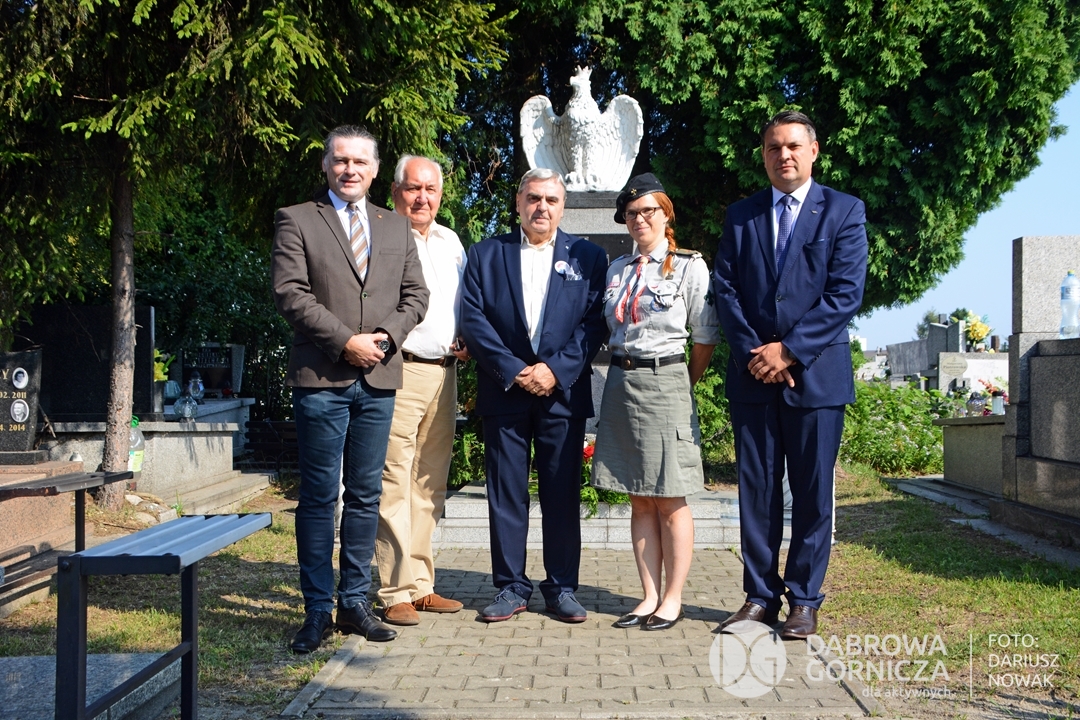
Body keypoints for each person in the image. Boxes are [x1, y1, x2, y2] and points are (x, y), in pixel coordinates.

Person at [272, 125, 429, 653]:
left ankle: (355, 603)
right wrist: (345, 343)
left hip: (379, 379)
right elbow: (290, 294)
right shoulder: (297, 219)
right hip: (322, 379)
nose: (350, 169)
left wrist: (383, 339)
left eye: (360, 161)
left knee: (365, 496)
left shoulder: (396, 226)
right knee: (320, 497)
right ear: (325, 165)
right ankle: (317, 609)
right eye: (341, 160)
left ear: (376, 169)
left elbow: (416, 296)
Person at [712, 111, 867, 639]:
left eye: (794, 146)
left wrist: (790, 351)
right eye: (774, 147)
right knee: (756, 493)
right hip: (754, 377)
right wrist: (758, 354)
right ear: (764, 155)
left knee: (812, 493)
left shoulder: (843, 211)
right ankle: (759, 597)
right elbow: (726, 289)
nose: (784, 155)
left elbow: (845, 293)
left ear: (813, 150)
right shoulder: (742, 215)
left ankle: (804, 600)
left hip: (816, 379)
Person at [459, 168, 607, 623]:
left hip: (561, 394)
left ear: (563, 207)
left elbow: (594, 323)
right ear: (519, 202)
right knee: (506, 494)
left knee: (561, 494)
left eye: (551, 200)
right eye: (534, 198)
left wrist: (555, 371)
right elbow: (472, 319)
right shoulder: (486, 254)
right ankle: (510, 587)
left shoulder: (588, 256)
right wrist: (515, 370)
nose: (542, 207)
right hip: (505, 390)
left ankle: (561, 587)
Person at [590, 173, 719, 631]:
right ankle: (647, 596)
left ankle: (673, 599)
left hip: (666, 382)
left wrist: (682, 381)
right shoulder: (617, 270)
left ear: (666, 215)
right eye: (631, 213)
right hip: (621, 384)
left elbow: (705, 336)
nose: (639, 219)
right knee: (639, 497)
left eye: (648, 210)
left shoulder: (689, 267)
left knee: (669, 497)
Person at [375, 155, 468, 626]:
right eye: (413, 188)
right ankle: (394, 590)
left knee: (429, 482)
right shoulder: (381, 237)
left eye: (431, 189)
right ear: (396, 192)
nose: (422, 198)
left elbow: (463, 302)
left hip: (445, 372)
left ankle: (421, 585)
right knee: (394, 479)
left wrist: (468, 337)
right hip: (400, 369)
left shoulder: (451, 241)